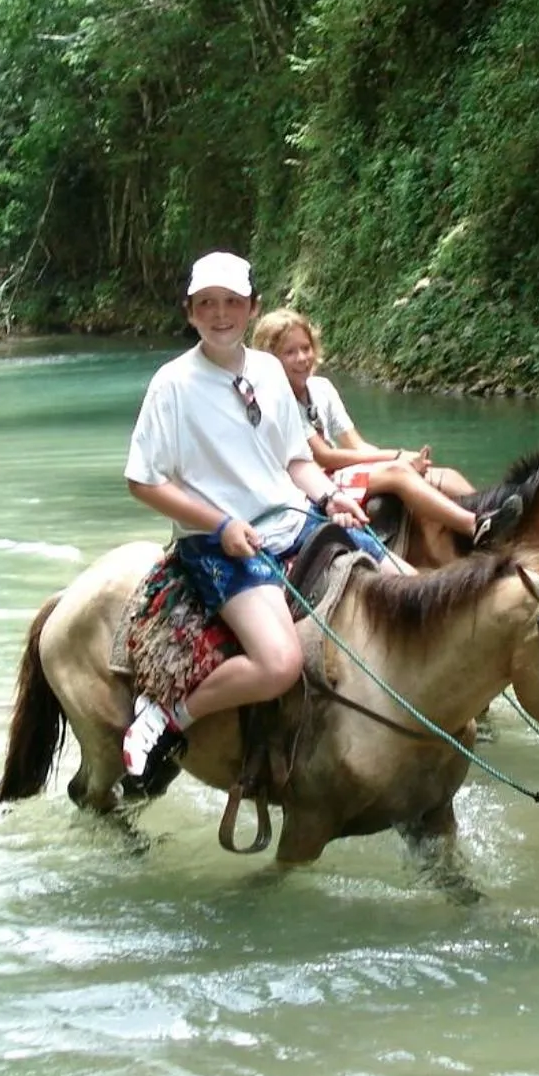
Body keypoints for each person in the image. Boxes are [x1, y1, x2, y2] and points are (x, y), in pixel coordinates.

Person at [120, 252, 379, 782]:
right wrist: (219, 524)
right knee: (278, 663)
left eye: (232, 303)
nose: (220, 315)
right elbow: (143, 480)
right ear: (189, 312)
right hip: (218, 542)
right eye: (207, 304)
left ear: (252, 308)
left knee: (405, 585)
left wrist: (330, 498)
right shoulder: (172, 384)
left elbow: (296, 460)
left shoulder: (267, 370)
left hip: (294, 520)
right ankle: (170, 716)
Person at [249, 308, 522, 552]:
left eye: (306, 348)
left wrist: (404, 458)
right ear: (270, 360)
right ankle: (472, 526)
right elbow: (324, 457)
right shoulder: (278, 399)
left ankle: (497, 522)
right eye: (290, 352)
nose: (302, 358)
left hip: (338, 473)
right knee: (399, 473)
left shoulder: (322, 388)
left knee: (444, 475)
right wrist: (396, 458)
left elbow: (356, 445)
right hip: (313, 485)